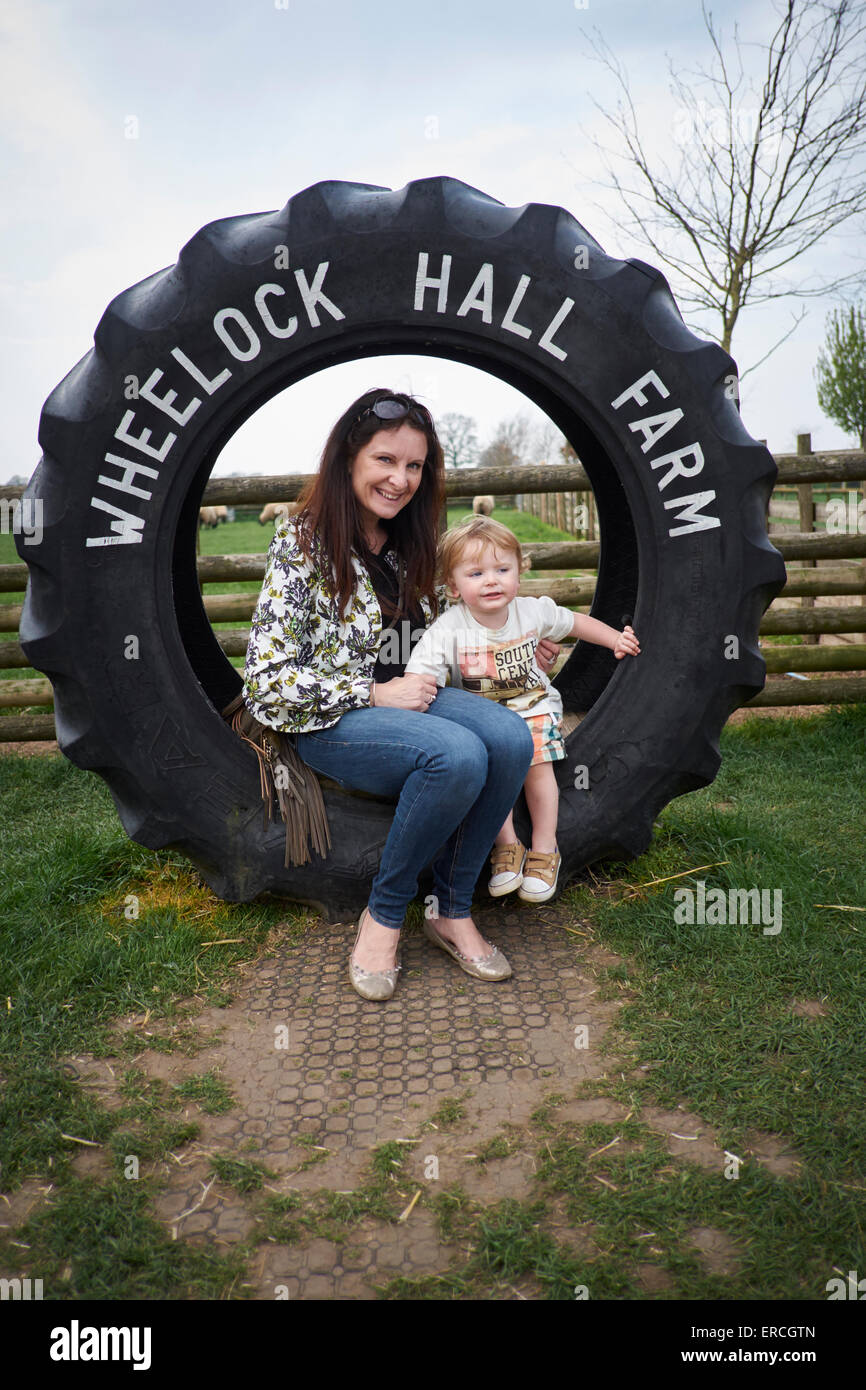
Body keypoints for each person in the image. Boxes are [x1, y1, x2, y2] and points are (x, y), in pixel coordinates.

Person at [242, 390, 559, 1002]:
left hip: (421, 696)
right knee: (458, 755)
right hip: (336, 716)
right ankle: (384, 915)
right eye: (386, 461)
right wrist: (372, 691)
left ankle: (449, 907)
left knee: (510, 737)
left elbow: (462, 630)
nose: (400, 479)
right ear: (349, 459)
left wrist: (518, 649)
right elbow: (266, 680)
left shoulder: (419, 542)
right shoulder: (302, 543)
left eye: (414, 466)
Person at [405, 515, 641, 903]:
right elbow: (420, 671)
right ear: (453, 585)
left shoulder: (532, 612)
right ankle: (507, 846)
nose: (492, 580)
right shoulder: (449, 629)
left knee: (535, 764)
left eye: (502, 569)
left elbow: (576, 622)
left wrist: (615, 639)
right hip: (483, 716)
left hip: (531, 706)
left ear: (520, 570)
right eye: (476, 573)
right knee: (488, 771)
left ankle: (546, 849)